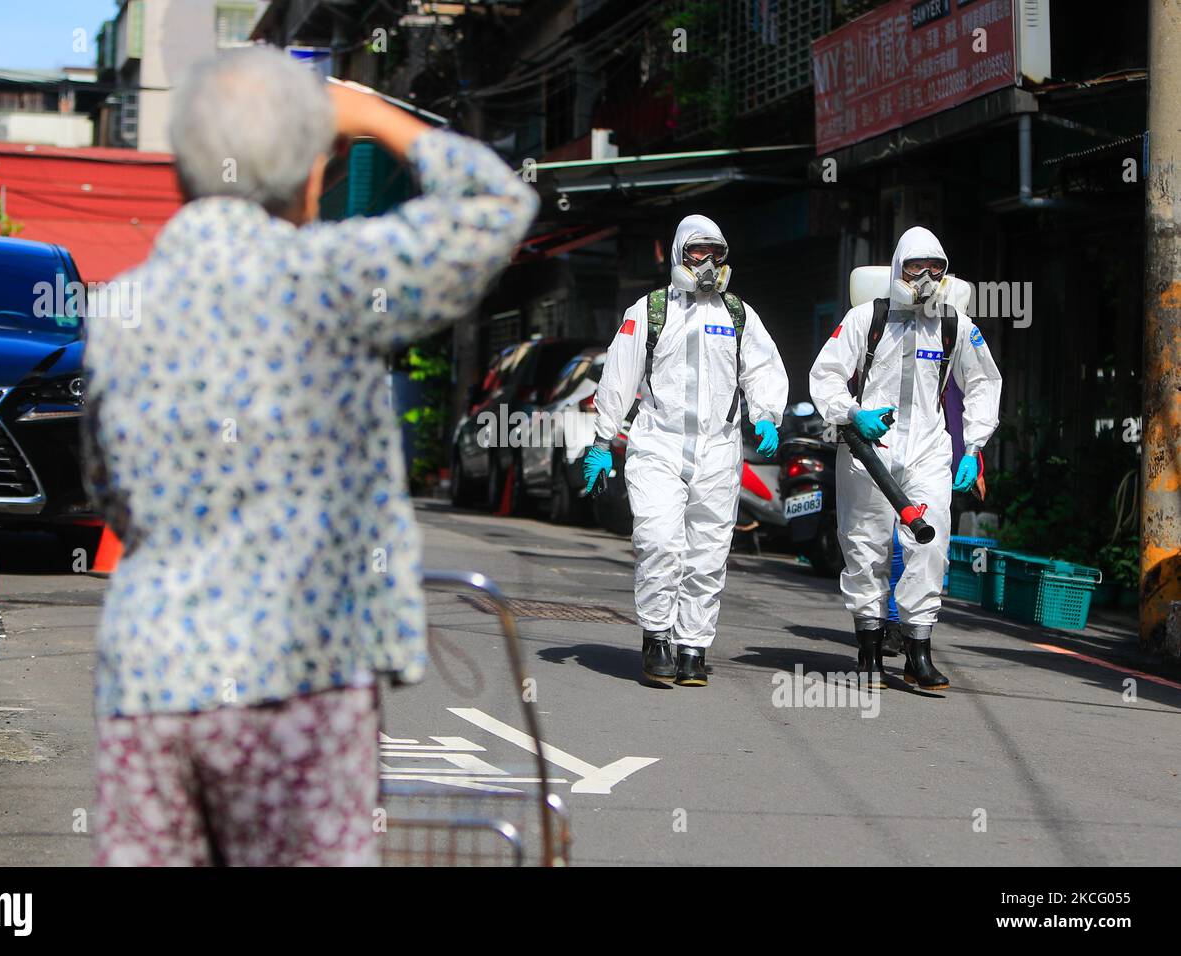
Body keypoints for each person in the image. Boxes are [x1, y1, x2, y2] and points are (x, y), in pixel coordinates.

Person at [80, 47, 538, 865]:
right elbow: (496, 206)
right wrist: (376, 119)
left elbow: (108, 489)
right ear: (309, 177)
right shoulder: (333, 275)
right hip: (298, 677)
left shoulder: (119, 307)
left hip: (149, 677)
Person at [583, 215, 788, 687]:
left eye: (717, 253)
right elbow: (618, 375)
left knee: (708, 553)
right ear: (680, 254)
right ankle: (657, 636)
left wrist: (766, 414)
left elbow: (763, 369)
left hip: (718, 450)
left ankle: (693, 645)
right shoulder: (651, 310)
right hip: (658, 443)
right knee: (658, 541)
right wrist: (602, 441)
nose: (709, 263)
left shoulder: (737, 314)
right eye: (699, 253)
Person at [808, 226, 1002, 690]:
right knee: (864, 545)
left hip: (929, 449)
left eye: (937, 270)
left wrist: (973, 447)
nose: (927, 279)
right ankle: (870, 650)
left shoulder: (955, 324)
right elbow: (826, 374)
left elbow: (983, 383)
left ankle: (918, 651)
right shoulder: (864, 318)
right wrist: (854, 413)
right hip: (869, 450)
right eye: (918, 269)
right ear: (899, 269)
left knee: (929, 546)